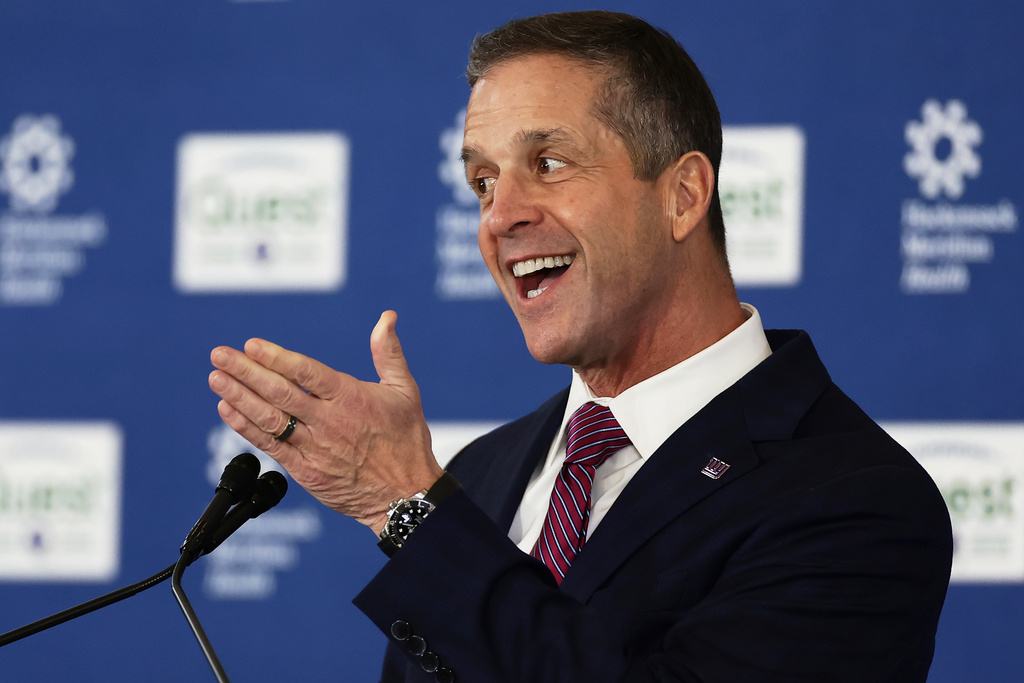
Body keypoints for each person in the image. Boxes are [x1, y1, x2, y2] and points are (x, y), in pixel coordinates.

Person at [208, 11, 952, 682]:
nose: (500, 218)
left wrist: (403, 504)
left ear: (683, 195)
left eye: (549, 164)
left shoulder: (855, 500)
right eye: (482, 181)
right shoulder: (483, 473)